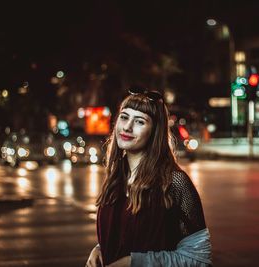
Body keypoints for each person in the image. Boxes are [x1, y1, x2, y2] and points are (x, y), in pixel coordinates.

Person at [86, 86, 212, 267]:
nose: (127, 127)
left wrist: (134, 262)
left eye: (139, 121)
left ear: (155, 131)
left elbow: (199, 258)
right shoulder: (117, 176)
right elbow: (128, 232)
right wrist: (100, 248)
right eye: (124, 117)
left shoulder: (174, 182)